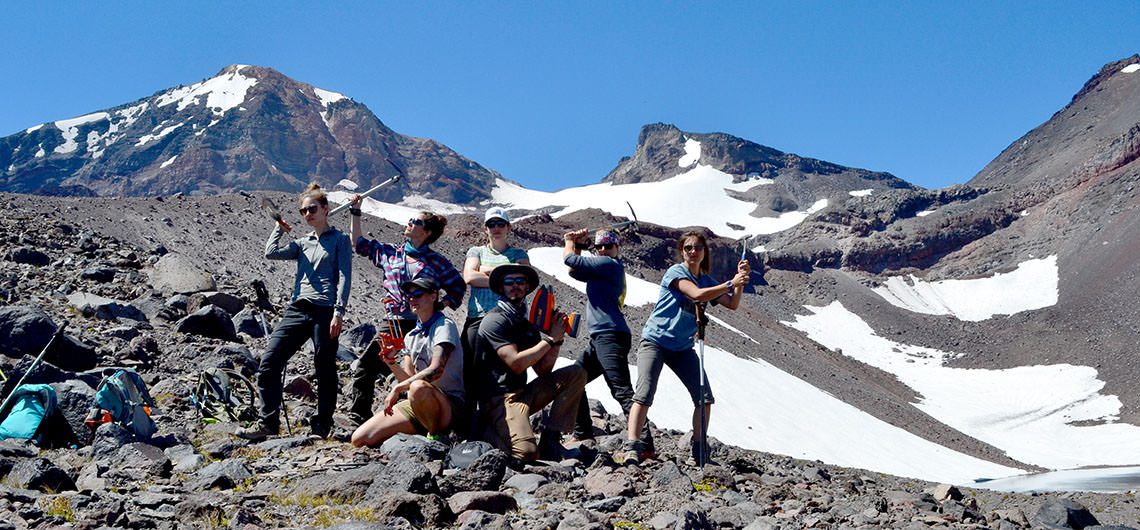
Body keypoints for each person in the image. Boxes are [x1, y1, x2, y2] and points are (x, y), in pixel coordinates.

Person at [619, 231, 750, 464]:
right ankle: (632, 445)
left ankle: (699, 449)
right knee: (644, 393)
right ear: (682, 252)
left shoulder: (707, 279)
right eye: (688, 247)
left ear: (704, 253)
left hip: (682, 347)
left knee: (704, 397)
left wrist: (740, 281)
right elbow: (697, 294)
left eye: (698, 247)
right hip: (656, 341)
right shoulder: (676, 272)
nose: (693, 251)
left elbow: (732, 304)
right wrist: (732, 282)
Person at [238, 183, 352, 441]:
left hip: (325, 310)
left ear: (325, 209)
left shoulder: (340, 240)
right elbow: (271, 253)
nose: (307, 214)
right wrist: (278, 229)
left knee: (324, 368)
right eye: (303, 211)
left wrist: (339, 312)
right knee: (269, 362)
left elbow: (345, 277)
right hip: (298, 308)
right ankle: (268, 423)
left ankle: (322, 425)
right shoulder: (302, 243)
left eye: (312, 209)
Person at [347, 196, 466, 426]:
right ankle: (358, 415)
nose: (408, 223)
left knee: (415, 370)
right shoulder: (390, 252)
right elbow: (359, 243)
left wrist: (441, 305)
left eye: (415, 221)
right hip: (392, 320)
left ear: (427, 232)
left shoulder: (436, 262)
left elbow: (458, 286)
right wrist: (355, 212)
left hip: (423, 324)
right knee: (370, 363)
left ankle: (418, 415)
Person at [473, 264, 586, 462]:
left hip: (522, 393)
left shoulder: (527, 325)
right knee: (526, 453)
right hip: (500, 398)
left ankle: (551, 440)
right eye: (509, 282)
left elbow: (542, 369)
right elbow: (516, 363)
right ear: (501, 288)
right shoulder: (494, 320)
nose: (515, 286)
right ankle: (488, 433)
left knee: (576, 373)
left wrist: (557, 341)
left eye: (520, 281)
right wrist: (549, 339)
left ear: (527, 288)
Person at [350, 277, 465, 446]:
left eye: (418, 294)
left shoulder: (444, 326)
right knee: (360, 438)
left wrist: (397, 388)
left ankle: (436, 438)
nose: (412, 299)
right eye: (409, 296)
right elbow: (408, 380)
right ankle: (422, 429)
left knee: (418, 387)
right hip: (417, 402)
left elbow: (436, 369)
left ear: (434, 296)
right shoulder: (411, 336)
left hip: (448, 403)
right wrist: (391, 362)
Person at [561, 228, 647, 447]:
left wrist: (569, 240)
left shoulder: (609, 264)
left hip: (610, 335)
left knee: (621, 391)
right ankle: (582, 433)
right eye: (598, 246)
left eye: (607, 245)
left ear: (617, 248)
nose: (602, 249)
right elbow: (573, 270)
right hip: (602, 336)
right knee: (575, 380)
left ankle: (644, 443)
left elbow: (569, 259)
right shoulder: (602, 268)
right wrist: (578, 245)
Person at [460, 207, 529, 433]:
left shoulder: (520, 253)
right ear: (485, 229)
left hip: (510, 320)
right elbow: (470, 276)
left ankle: (507, 423)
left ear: (508, 227)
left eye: (501, 224)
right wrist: (504, 275)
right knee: (471, 371)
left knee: (508, 374)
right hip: (478, 318)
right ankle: (468, 427)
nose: (496, 228)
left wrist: (487, 271)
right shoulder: (475, 250)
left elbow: (524, 278)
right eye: (492, 224)